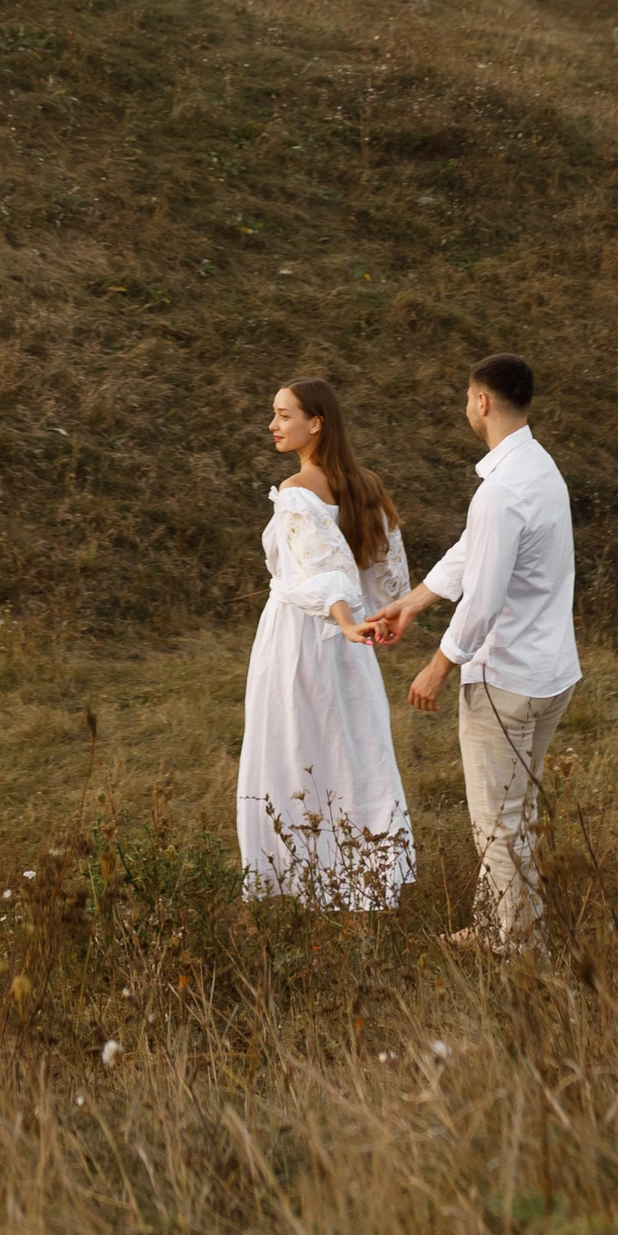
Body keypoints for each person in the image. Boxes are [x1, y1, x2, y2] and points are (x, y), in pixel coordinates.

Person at [368, 351, 578, 954]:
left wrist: (437, 665)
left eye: (467, 397)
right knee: (518, 809)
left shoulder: (500, 491)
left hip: (506, 679)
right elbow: (473, 550)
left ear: (482, 401)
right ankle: (510, 924)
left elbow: (483, 599)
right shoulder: (538, 468)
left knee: (497, 820)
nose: (466, 406)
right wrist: (413, 602)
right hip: (550, 673)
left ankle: (510, 940)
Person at [236, 376, 415, 907]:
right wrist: (376, 619)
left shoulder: (296, 492)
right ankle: (365, 874)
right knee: (352, 752)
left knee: (293, 750)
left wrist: (341, 616)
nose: (273, 424)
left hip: (303, 637)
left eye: (283, 414)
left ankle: (292, 884)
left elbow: (321, 567)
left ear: (316, 423)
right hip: (352, 642)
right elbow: (385, 572)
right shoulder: (367, 484)